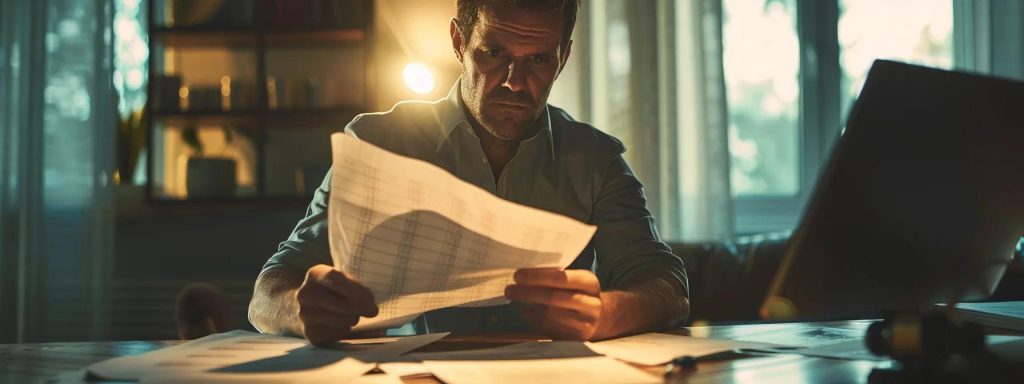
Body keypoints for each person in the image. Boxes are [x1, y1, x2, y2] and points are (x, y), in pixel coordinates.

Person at [248, 0, 689, 346]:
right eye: (494, 53)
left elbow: (667, 286)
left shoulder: (595, 159)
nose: (515, 81)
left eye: (538, 60)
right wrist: (298, 309)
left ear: (564, 56)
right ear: (459, 42)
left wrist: (604, 313)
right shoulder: (376, 143)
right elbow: (267, 293)